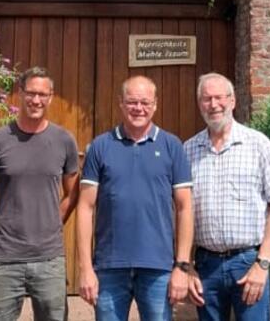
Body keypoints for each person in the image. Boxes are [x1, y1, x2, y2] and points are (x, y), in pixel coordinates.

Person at [76, 75, 195, 321]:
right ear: (121, 103)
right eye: (132, 102)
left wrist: (182, 266)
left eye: (145, 102)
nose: (138, 108)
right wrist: (85, 268)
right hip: (109, 266)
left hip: (158, 267)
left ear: (155, 104)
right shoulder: (100, 146)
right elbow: (85, 208)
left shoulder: (173, 146)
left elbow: (185, 208)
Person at [0, 66, 80, 321]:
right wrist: (1, 223)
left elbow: (72, 195)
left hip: (49, 258)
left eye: (42, 94)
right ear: (20, 93)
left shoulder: (64, 141)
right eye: (31, 93)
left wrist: (53, 221)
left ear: (50, 97)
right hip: (5, 258)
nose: (36, 100)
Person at [183, 73, 270, 321]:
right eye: (206, 99)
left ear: (232, 101)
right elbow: (180, 211)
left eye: (219, 97)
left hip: (247, 263)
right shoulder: (187, 150)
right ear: (199, 104)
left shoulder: (257, 144)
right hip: (206, 266)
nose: (213, 104)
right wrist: (186, 266)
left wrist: (262, 264)